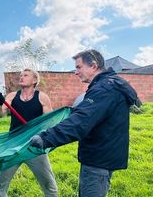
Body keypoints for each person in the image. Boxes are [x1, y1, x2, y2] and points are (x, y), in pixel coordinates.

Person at [29, 49, 141, 197]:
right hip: (104, 155)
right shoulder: (111, 85)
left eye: (78, 67)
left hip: (98, 161)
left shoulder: (104, 89)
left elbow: (81, 121)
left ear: (93, 66)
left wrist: (45, 138)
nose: (76, 72)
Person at [0, 68, 58, 197]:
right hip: (13, 145)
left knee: (49, 186)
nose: (21, 77)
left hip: (34, 146)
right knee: (1, 185)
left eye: (26, 75)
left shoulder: (42, 97)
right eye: (21, 75)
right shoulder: (12, 96)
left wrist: (41, 134)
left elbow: (50, 122)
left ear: (34, 80)